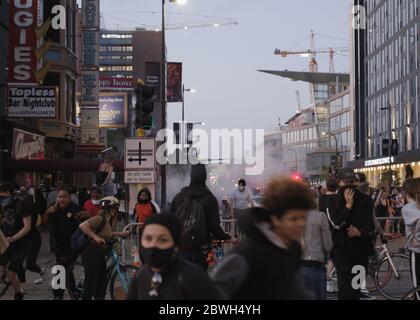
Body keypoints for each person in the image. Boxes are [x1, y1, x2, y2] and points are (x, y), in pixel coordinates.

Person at [211, 177, 315, 300]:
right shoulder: (247, 254)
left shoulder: (293, 248)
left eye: (303, 218)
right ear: (275, 219)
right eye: (293, 219)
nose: (300, 224)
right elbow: (214, 291)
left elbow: (292, 288)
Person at [127, 213, 223, 300]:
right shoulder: (140, 276)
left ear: (176, 246)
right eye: (148, 238)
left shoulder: (192, 277)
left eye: (162, 240)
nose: (153, 245)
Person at [170, 164, 232, 270]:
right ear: (205, 177)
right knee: (197, 282)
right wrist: (228, 237)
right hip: (199, 250)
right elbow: (215, 227)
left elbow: (170, 221)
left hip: (179, 248)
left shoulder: (179, 197)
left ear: (191, 177)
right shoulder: (209, 199)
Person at [330, 168, 375, 300]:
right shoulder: (334, 200)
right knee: (346, 290)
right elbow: (335, 223)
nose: (349, 186)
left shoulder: (365, 200)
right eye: (346, 182)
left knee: (354, 289)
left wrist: (360, 231)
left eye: (352, 182)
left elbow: (370, 225)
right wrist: (348, 206)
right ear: (340, 183)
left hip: (360, 252)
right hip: (343, 252)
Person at [79, 196, 130, 300]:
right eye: (115, 208)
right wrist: (95, 237)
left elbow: (106, 233)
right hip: (92, 252)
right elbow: (83, 225)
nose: (116, 210)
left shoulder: (107, 219)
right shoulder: (100, 218)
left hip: (100, 252)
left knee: (101, 283)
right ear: (109, 208)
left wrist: (120, 234)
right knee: (91, 284)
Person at [42, 188, 86, 300]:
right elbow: (43, 223)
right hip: (58, 245)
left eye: (64, 197)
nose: (62, 199)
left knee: (61, 269)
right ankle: (72, 292)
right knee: (65, 270)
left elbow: (85, 222)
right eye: (60, 197)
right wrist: (47, 212)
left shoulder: (75, 209)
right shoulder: (52, 208)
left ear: (69, 198)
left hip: (72, 246)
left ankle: (60, 294)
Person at [0, 182, 32, 300]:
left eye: (2, 196)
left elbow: (27, 226)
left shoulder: (21, 204)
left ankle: (18, 294)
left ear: (9, 193)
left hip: (19, 243)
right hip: (5, 242)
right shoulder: (3, 205)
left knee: (11, 273)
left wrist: (13, 238)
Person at [301, 191, 333, 300]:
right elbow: (328, 244)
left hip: (298, 266)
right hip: (315, 265)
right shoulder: (320, 216)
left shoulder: (295, 217)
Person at [16, 186, 44, 288]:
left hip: (33, 237)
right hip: (21, 237)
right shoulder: (16, 206)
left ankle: (41, 271)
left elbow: (29, 226)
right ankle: (22, 285)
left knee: (30, 264)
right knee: (18, 262)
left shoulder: (30, 207)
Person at [401, 178, 420, 294]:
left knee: (416, 285)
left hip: (416, 250)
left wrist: (417, 239)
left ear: (405, 193)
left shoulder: (408, 208)